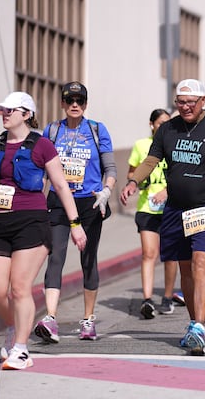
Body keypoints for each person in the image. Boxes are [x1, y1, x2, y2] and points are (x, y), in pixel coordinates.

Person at [120, 79, 205, 356]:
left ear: (204, 100)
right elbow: (151, 161)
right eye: (181, 102)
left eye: (191, 102)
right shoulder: (168, 129)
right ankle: (193, 323)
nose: (186, 107)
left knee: (201, 262)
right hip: (176, 209)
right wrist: (133, 182)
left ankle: (199, 329)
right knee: (185, 268)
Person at [0, 92, 86, 370]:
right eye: (1, 110)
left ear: (26, 114)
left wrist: (75, 224)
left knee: (19, 288)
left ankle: (21, 349)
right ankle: (17, 327)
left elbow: (61, 186)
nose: (4, 114)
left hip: (32, 222)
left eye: (9, 110)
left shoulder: (42, 145)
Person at [35, 81, 117, 343]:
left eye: (79, 101)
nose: (74, 105)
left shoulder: (96, 130)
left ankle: (88, 319)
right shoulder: (52, 130)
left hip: (90, 203)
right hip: (59, 201)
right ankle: (50, 318)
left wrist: (106, 190)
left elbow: (111, 169)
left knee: (88, 259)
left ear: (85, 104)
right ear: (62, 103)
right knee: (56, 256)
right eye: (69, 100)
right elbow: (42, 169)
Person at [127, 109, 183, 317]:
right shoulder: (141, 145)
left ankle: (167, 297)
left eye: (168, 123)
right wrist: (140, 182)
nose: (165, 127)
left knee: (170, 255)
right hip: (147, 208)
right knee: (149, 253)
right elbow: (132, 173)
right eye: (160, 123)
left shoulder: (177, 145)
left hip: (172, 207)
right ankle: (147, 300)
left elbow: (184, 176)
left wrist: (167, 190)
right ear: (152, 125)